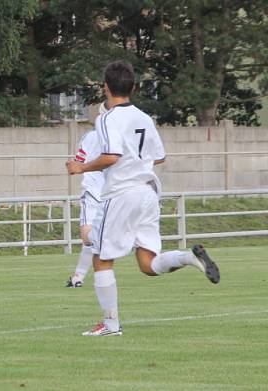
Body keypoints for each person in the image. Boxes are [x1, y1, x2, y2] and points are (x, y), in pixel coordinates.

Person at [65, 61, 220, 336]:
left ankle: (110, 325)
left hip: (122, 192)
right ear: (133, 87)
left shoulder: (107, 118)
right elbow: (159, 157)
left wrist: (82, 167)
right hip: (148, 192)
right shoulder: (144, 117)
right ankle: (188, 258)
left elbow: (112, 156)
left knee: (101, 258)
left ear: (105, 87)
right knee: (148, 264)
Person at [66, 102, 108, 288]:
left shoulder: (90, 137)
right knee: (89, 240)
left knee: (88, 237)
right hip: (104, 191)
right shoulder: (122, 136)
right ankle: (78, 277)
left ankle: (112, 238)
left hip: (99, 191)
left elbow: (79, 162)